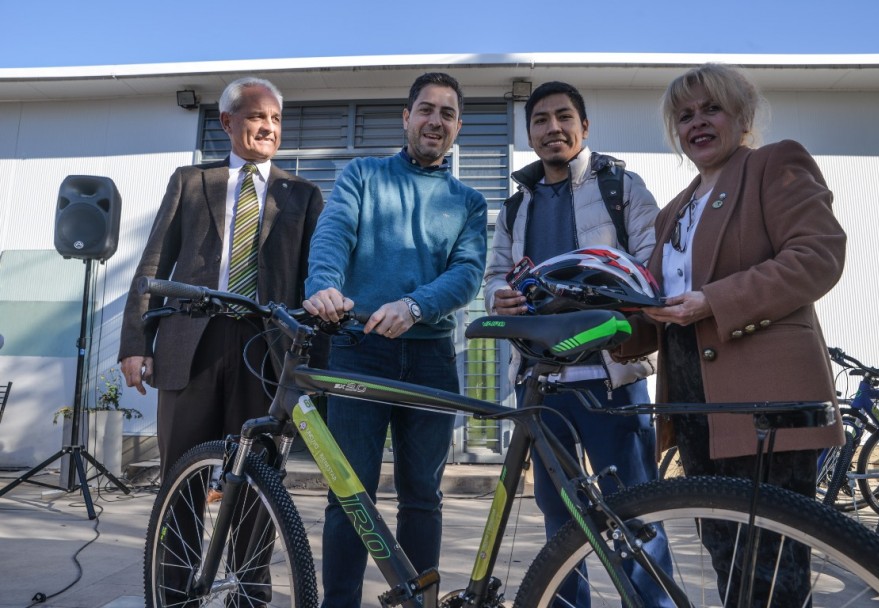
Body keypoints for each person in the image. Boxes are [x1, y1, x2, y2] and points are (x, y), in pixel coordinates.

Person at [618, 63, 847, 606]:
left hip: (767, 402)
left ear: (742, 116)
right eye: (684, 115)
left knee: (773, 569)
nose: (696, 123)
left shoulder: (775, 163)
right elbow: (656, 307)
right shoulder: (674, 210)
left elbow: (817, 257)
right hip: (695, 407)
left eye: (711, 109)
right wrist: (587, 325)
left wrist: (712, 301)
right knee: (726, 555)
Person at [483, 81, 673, 607]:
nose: (552, 129)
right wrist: (499, 297)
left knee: (637, 514)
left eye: (563, 117)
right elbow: (495, 275)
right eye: (540, 121)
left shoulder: (621, 186)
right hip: (542, 386)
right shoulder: (516, 205)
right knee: (559, 520)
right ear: (529, 135)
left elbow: (652, 266)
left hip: (611, 380)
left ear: (584, 126)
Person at [303, 72, 488, 607]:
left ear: (457, 128)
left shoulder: (469, 202)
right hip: (358, 350)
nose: (435, 121)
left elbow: (467, 273)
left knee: (423, 498)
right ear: (405, 117)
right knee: (348, 495)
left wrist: (415, 306)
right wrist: (324, 287)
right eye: (425, 109)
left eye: (447, 114)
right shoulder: (362, 174)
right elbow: (333, 234)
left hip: (431, 356)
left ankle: (417, 602)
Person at [119, 76, 325, 478]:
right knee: (182, 471)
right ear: (227, 122)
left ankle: (250, 545)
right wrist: (134, 344)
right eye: (256, 116)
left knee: (258, 477)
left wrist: (313, 366)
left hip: (265, 348)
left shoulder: (302, 194)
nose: (269, 127)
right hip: (190, 344)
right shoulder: (190, 181)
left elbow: (313, 281)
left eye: (276, 118)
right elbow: (153, 265)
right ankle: (175, 544)